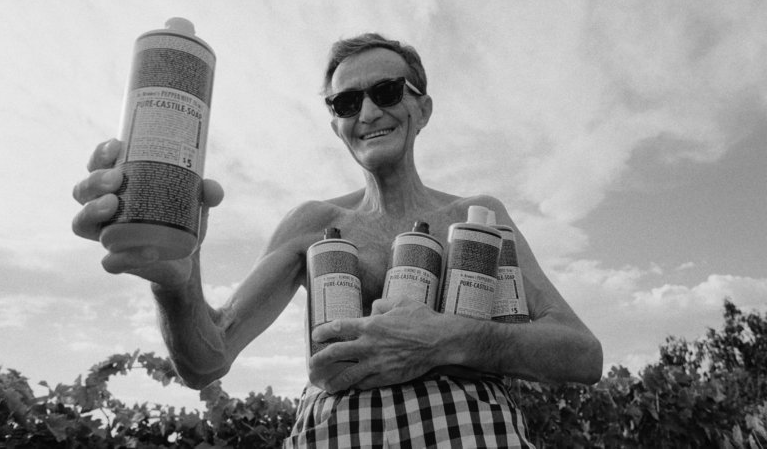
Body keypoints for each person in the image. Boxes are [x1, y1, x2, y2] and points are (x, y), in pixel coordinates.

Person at [72, 33, 602, 447]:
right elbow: (206, 360)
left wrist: (444, 339)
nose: (367, 112)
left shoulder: (478, 217)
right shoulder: (311, 222)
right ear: (335, 125)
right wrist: (177, 280)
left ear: (423, 109)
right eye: (346, 102)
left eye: (386, 92)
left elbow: (582, 355)